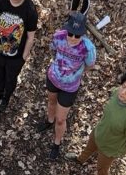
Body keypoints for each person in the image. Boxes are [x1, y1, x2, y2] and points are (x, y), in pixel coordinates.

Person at [37, 12, 97, 160]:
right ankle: (48, 121)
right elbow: (53, 49)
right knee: (51, 102)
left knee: (61, 119)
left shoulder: (88, 48)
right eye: (71, 33)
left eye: (77, 35)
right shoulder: (58, 37)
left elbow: (90, 65)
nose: (73, 38)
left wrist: (74, 73)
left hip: (70, 87)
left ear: (83, 34)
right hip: (53, 77)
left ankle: (56, 143)